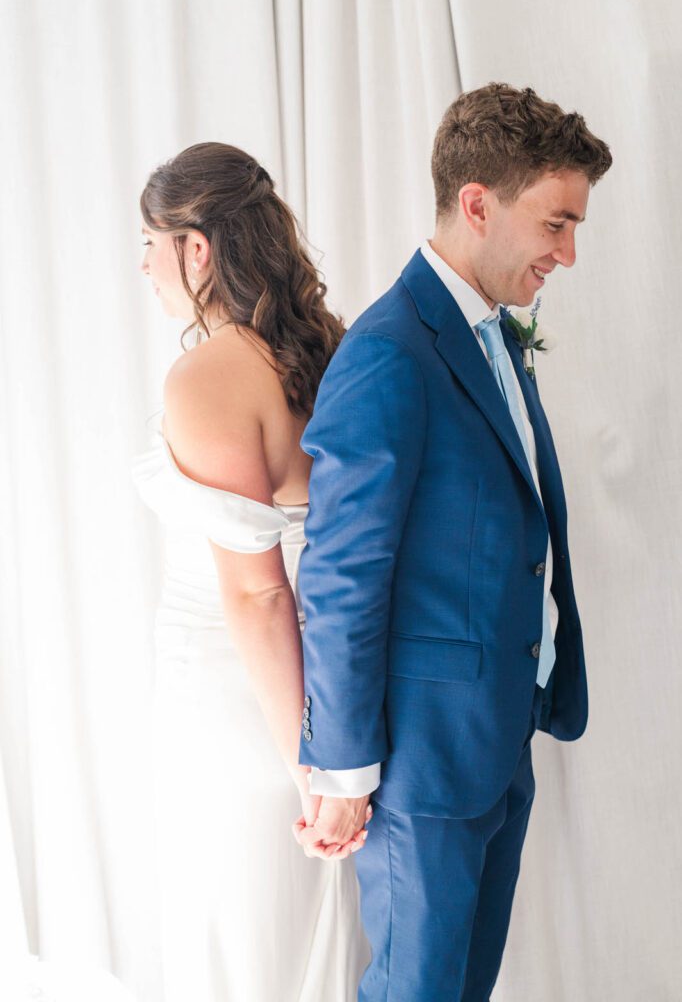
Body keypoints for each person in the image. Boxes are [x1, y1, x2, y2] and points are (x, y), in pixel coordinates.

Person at [294, 83, 612, 999]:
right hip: (420, 775)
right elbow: (343, 574)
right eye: (556, 223)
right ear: (478, 204)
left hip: (494, 746)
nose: (570, 253)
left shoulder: (492, 338)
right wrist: (345, 770)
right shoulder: (392, 351)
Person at [131, 143, 370, 1002]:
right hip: (320, 688)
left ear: (198, 249)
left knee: (234, 939)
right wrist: (336, 754)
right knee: (301, 926)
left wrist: (307, 767)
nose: (144, 266)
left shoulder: (206, 377)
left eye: (150, 244)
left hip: (241, 700)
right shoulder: (331, 350)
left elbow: (258, 590)